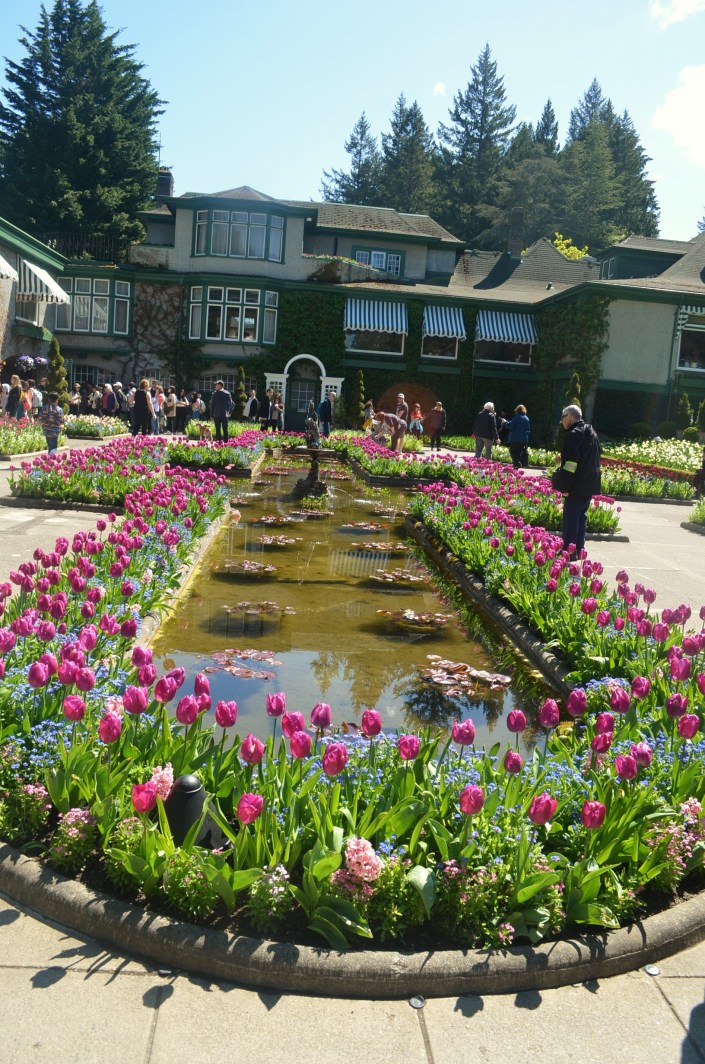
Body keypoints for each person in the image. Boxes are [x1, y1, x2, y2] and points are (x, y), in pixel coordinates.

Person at [551, 404, 602, 560]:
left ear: (571, 417)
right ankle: (579, 549)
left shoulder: (574, 434)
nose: (561, 421)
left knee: (572, 518)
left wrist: (564, 487)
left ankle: (568, 551)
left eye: (563, 417)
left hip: (577, 484)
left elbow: (570, 465)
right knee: (581, 516)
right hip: (590, 483)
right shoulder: (591, 431)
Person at [506, 404, 531, 469]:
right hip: (523, 440)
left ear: (517, 410)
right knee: (518, 453)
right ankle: (516, 466)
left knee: (512, 451)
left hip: (515, 439)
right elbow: (528, 430)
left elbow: (511, 426)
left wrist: (505, 423)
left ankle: (517, 463)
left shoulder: (517, 417)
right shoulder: (526, 418)